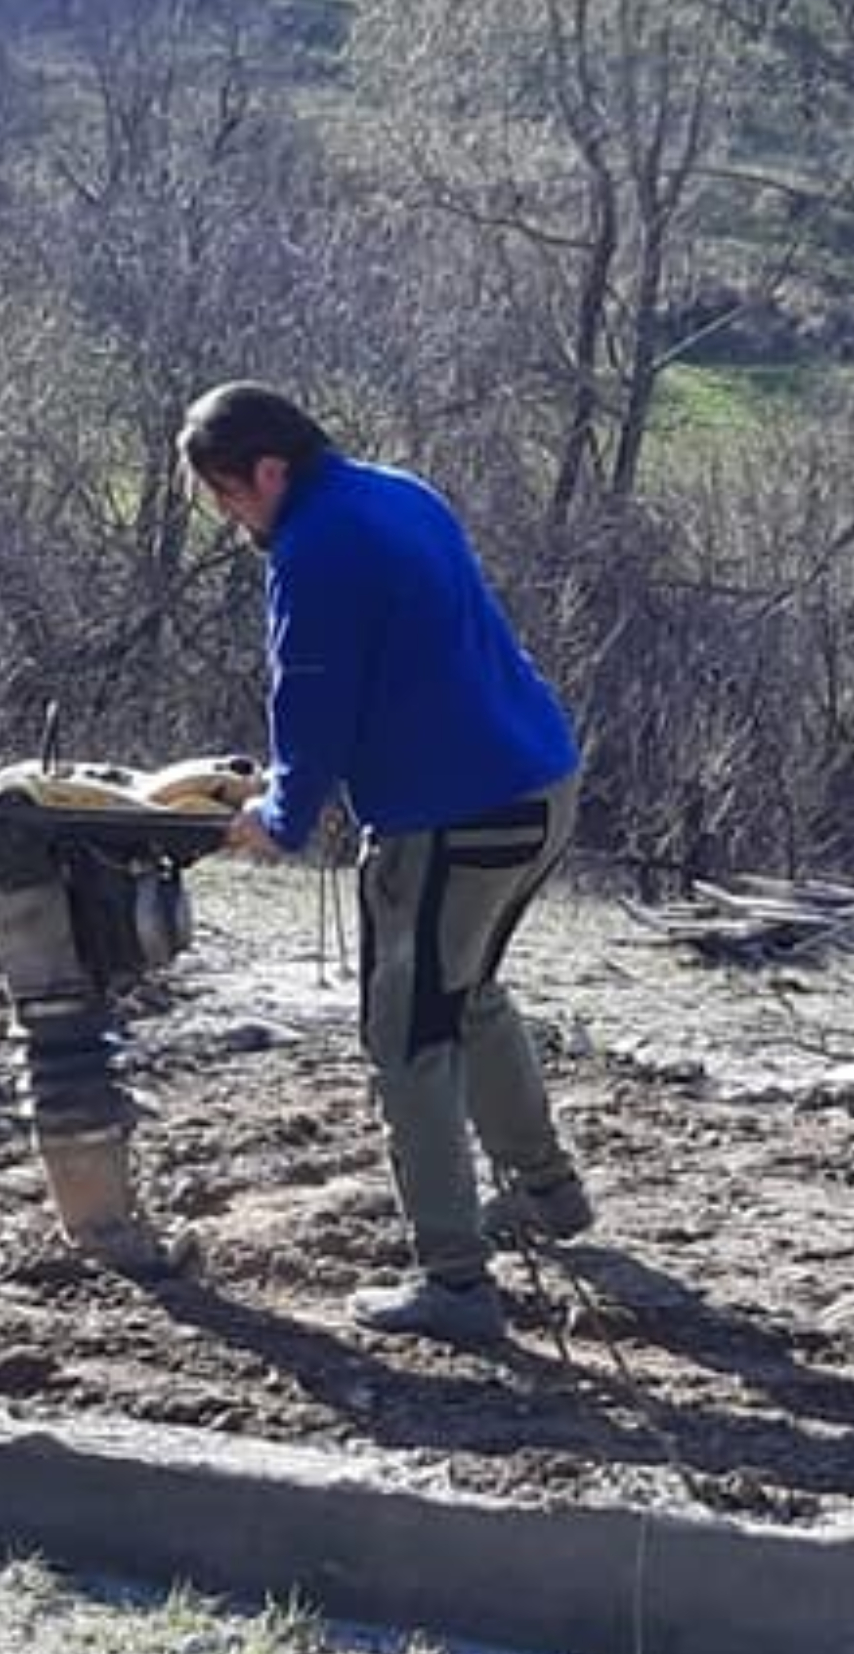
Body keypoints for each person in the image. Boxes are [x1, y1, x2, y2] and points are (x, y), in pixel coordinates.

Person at [180, 382, 591, 1345]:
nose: (230, 519)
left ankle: (454, 1284)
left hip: (457, 816)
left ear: (270, 470)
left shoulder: (315, 549)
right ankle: (549, 1195)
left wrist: (278, 817)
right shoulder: (396, 491)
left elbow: (313, 699)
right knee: (468, 989)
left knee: (407, 1041)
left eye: (228, 496)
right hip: (540, 785)